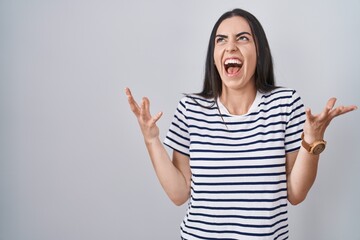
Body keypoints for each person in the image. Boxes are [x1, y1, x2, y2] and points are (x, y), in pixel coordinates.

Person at [125, 8, 357, 240]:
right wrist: (151, 139)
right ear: (214, 57)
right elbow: (178, 194)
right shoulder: (190, 108)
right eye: (221, 40)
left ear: (260, 51)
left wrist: (312, 140)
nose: (231, 46)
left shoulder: (285, 103)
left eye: (243, 38)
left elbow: (296, 194)